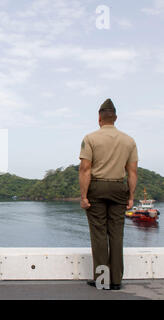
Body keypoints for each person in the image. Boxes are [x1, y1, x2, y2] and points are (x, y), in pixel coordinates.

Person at [79, 99, 138, 290]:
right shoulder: (129, 141)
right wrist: (131, 197)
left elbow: (85, 169)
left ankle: (102, 280)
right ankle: (116, 281)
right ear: (116, 118)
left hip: (96, 188)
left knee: (99, 235)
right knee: (116, 234)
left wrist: (84, 196)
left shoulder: (90, 138)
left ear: (99, 118)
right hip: (119, 189)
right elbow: (132, 172)